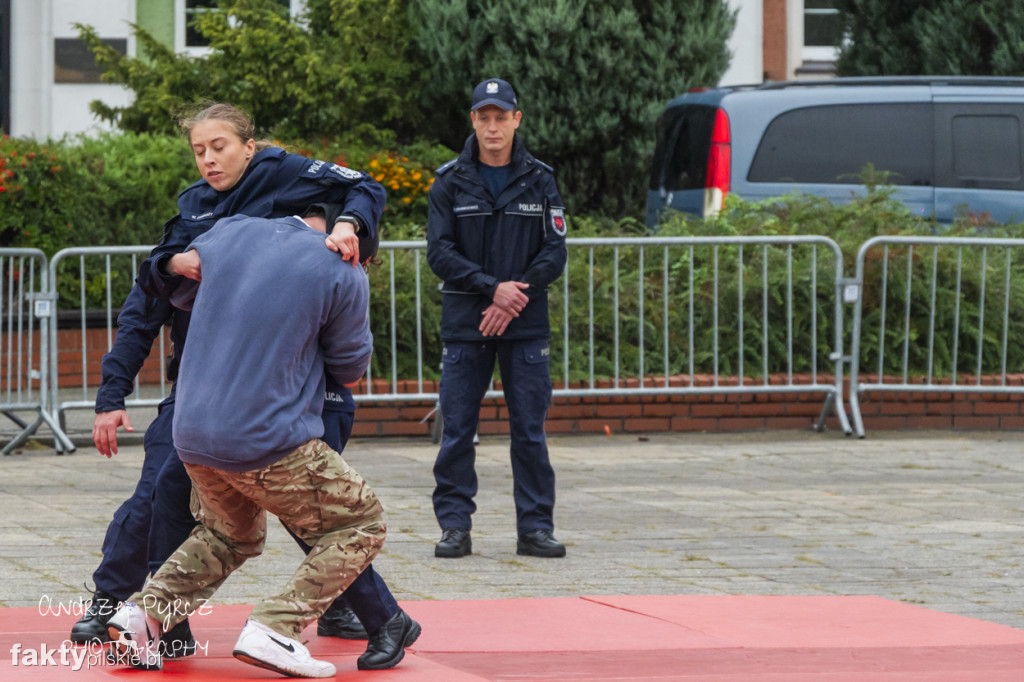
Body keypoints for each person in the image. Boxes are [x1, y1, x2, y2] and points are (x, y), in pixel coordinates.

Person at [70, 102, 404, 666]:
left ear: (251, 147)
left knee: (255, 525)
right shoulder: (201, 213)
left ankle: (151, 617)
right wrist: (173, 269)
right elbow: (145, 297)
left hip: (264, 398)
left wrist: (351, 226)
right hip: (213, 395)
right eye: (198, 150)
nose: (207, 160)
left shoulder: (287, 194)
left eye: (218, 146)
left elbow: (364, 188)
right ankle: (148, 612)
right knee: (172, 496)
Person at [108, 207, 418, 678]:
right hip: (266, 435)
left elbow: (177, 282)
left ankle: (144, 618)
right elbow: (350, 368)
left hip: (192, 432)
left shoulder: (231, 232)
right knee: (360, 520)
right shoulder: (342, 267)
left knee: (229, 533)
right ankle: (277, 626)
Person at [426, 78, 569, 559]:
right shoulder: (448, 181)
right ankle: (454, 527)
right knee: (458, 431)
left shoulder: (541, 178)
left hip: (525, 325)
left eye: (500, 117)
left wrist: (512, 298)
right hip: (467, 324)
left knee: (529, 431)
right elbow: (440, 253)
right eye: (483, 117)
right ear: (473, 121)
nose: (492, 126)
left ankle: (534, 529)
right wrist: (493, 289)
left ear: (516, 120)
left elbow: (554, 252)